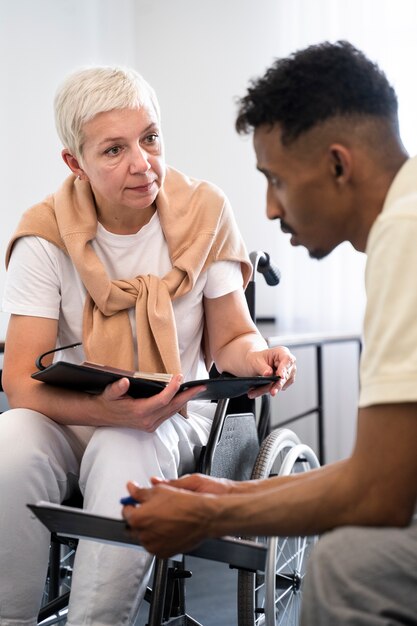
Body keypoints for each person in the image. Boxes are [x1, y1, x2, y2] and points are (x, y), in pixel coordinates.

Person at [122, 41, 417, 625]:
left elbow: (379, 491)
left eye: (275, 179)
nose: (271, 208)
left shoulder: (405, 237)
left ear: (338, 164)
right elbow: (383, 468)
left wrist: (211, 518)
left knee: (347, 567)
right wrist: (225, 495)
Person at [0, 65, 296, 625]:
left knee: (123, 447)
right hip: (69, 416)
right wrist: (99, 408)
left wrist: (257, 355)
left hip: (173, 417)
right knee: (9, 437)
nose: (142, 162)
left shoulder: (205, 215)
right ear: (75, 163)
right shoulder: (43, 236)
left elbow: (231, 335)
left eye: (150, 138)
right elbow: (19, 381)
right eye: (113, 150)